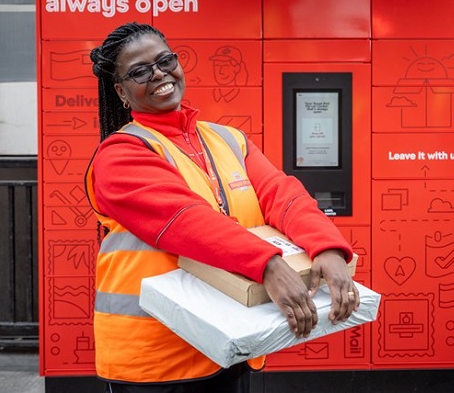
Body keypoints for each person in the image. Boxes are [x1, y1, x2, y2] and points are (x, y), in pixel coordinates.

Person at [85, 22, 358, 392]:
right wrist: (269, 266)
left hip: (229, 340)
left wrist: (325, 246)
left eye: (165, 60)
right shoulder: (120, 155)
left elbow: (282, 194)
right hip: (156, 358)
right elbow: (187, 221)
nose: (159, 74)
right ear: (121, 91)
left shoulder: (228, 139)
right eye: (140, 71)